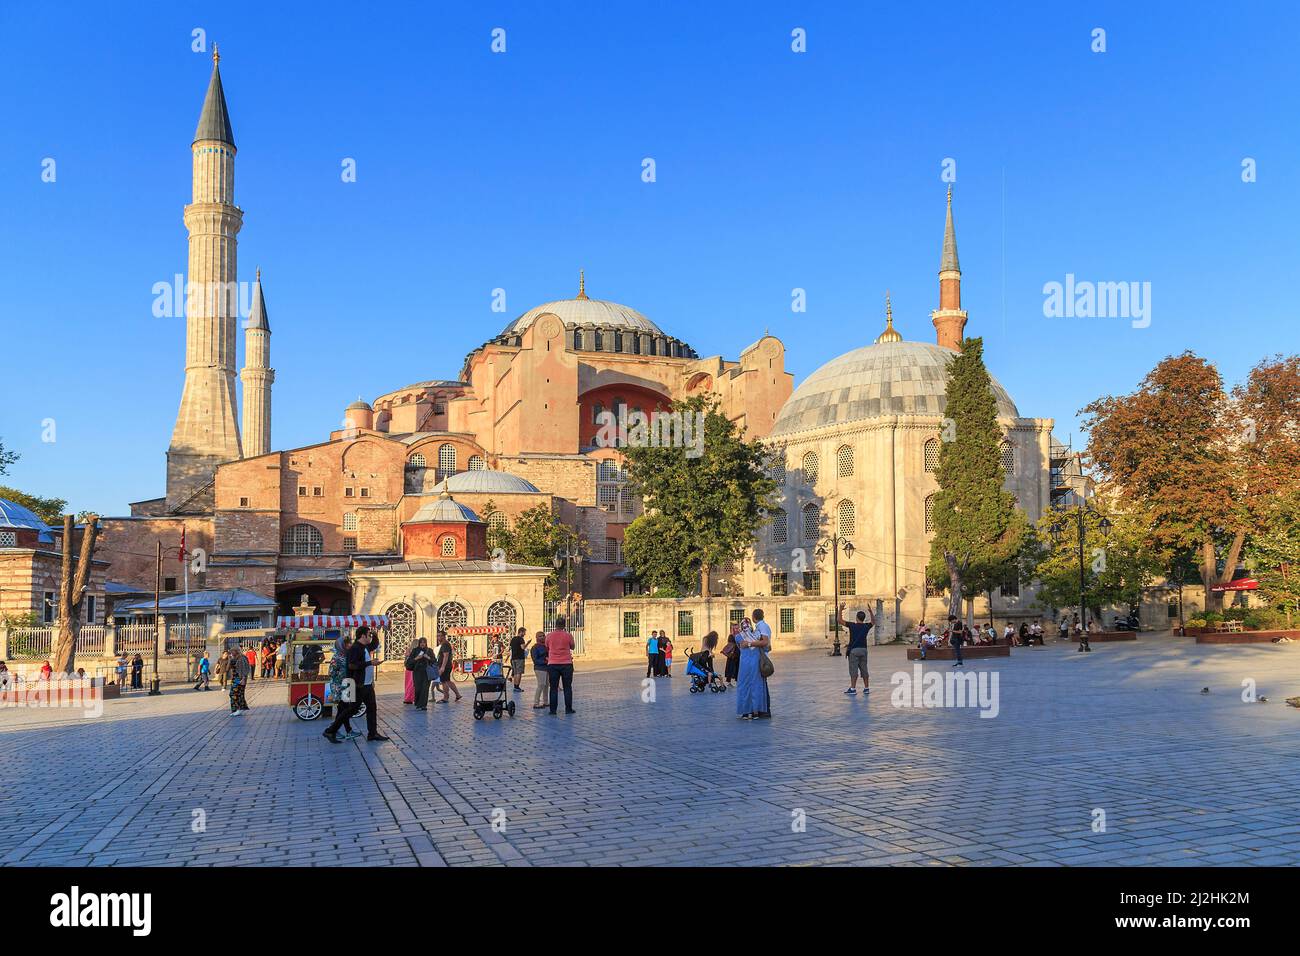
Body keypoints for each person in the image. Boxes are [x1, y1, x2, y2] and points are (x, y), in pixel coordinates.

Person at [347, 626, 389, 741]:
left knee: (372, 708)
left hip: (367, 684)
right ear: (363, 636)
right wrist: (369, 663)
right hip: (359, 685)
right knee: (352, 709)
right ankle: (332, 729)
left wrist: (374, 634)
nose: (370, 637)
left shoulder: (364, 647)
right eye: (369, 635)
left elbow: (374, 644)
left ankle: (372, 733)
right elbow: (352, 665)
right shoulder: (356, 648)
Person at [323, 635, 360, 742]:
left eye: (350, 643)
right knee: (344, 708)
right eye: (347, 643)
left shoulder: (348, 655)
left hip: (348, 684)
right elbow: (331, 672)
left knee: (343, 709)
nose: (350, 645)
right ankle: (336, 730)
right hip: (340, 686)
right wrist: (343, 675)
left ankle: (338, 730)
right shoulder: (337, 657)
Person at [734, 616, 770, 720]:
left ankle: (746, 712)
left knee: (744, 686)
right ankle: (756, 712)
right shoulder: (757, 636)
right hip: (755, 664)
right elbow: (765, 645)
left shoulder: (738, 637)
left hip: (744, 664)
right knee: (756, 685)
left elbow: (739, 647)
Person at [840, 602, 874, 695]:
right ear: (863, 618)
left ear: (857, 618)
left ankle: (853, 688)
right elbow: (873, 622)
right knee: (864, 669)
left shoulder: (852, 625)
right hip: (863, 650)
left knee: (853, 670)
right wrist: (871, 612)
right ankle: (866, 688)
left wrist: (840, 609)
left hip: (854, 650)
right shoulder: (866, 626)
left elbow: (839, 620)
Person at [545, 616, 576, 716]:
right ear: (564, 625)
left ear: (555, 624)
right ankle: (568, 709)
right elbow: (573, 646)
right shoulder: (568, 635)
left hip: (553, 664)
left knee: (553, 688)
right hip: (566, 663)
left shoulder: (549, 636)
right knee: (567, 687)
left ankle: (553, 710)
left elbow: (547, 647)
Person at [406, 637, 437, 710]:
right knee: (418, 688)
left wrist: (428, 657)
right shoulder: (415, 650)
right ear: (419, 643)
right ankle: (418, 703)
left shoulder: (429, 650)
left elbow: (434, 661)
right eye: (421, 642)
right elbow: (409, 662)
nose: (422, 644)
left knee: (425, 689)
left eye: (424, 642)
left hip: (426, 672)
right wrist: (417, 658)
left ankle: (423, 705)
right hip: (417, 672)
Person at [435, 631, 462, 703]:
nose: (439, 637)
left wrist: (442, 667)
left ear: (444, 636)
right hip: (447, 666)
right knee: (447, 681)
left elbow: (446, 656)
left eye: (440, 636)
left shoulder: (445, 645)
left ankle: (445, 698)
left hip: (445, 666)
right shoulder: (445, 644)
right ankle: (457, 694)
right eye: (438, 636)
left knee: (444, 682)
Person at [227, 640, 251, 716]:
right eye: (230, 651)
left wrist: (243, 679)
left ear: (236, 651)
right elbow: (227, 669)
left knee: (235, 694)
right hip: (234, 679)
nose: (231, 653)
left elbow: (245, 669)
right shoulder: (233, 659)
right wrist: (229, 659)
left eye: (232, 651)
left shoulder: (242, 658)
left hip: (240, 678)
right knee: (235, 694)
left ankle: (238, 709)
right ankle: (236, 709)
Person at [530, 630, 549, 709]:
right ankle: (536, 703)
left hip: (547, 668)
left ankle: (545, 702)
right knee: (541, 684)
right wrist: (545, 661)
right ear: (536, 637)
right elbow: (535, 659)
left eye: (543, 635)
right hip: (540, 668)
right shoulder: (535, 647)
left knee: (546, 685)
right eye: (540, 636)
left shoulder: (546, 646)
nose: (542, 637)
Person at [509, 626, 528, 691]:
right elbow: (523, 647)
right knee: (519, 673)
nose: (524, 634)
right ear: (521, 632)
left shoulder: (513, 639)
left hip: (513, 658)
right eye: (524, 632)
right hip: (519, 658)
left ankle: (515, 686)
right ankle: (517, 687)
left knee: (515, 673)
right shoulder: (521, 639)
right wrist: (527, 643)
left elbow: (511, 648)